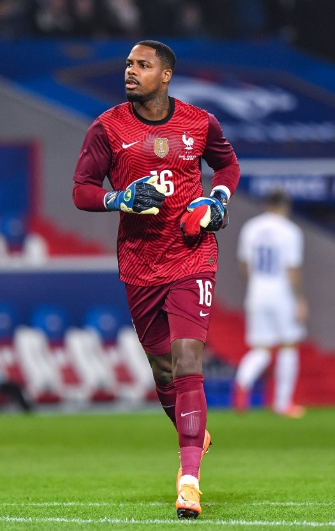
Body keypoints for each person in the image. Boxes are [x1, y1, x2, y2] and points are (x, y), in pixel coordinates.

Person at [72, 40, 240, 519]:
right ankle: (194, 434)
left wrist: (216, 202)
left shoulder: (199, 122)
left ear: (165, 75)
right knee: (164, 372)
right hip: (140, 263)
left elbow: (227, 165)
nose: (131, 71)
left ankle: (189, 482)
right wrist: (119, 199)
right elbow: (82, 190)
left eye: (142, 65)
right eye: (128, 64)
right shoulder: (107, 128)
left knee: (188, 360)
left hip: (192, 255)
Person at [232, 191, 307, 419]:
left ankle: (242, 383)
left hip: (257, 292)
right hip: (281, 293)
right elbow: (291, 268)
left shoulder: (251, 228)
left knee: (261, 348)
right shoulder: (290, 230)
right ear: (286, 205)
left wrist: (254, 284)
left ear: (266, 204)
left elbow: (243, 265)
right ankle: (283, 404)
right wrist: (299, 298)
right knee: (289, 344)